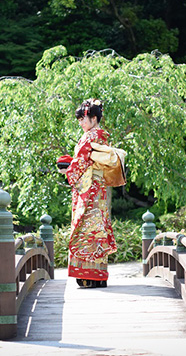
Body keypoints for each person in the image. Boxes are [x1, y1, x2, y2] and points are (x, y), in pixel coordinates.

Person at [58, 99, 117, 288]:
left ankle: (88, 275)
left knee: (87, 228)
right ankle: (98, 274)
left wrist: (68, 170)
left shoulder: (92, 136)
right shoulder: (99, 135)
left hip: (89, 189)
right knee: (96, 227)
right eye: (80, 120)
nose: (81, 123)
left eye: (84, 119)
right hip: (96, 187)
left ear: (94, 118)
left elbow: (82, 160)